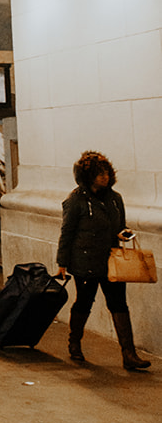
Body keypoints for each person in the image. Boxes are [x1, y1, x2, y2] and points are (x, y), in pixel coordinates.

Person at [56, 150, 151, 372]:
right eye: (99, 173)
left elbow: (120, 225)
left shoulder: (115, 199)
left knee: (119, 304)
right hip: (85, 262)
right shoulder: (76, 200)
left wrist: (123, 233)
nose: (104, 177)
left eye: (107, 172)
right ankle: (74, 342)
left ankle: (129, 354)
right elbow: (67, 232)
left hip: (111, 261)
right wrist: (62, 263)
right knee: (84, 302)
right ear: (88, 176)